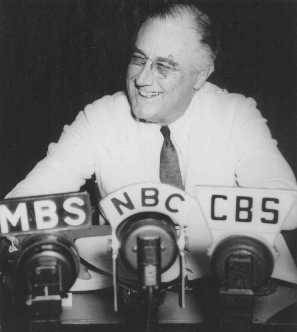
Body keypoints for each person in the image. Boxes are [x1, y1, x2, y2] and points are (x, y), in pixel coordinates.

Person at [5, 2, 297, 284]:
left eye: (164, 66)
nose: (142, 78)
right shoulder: (99, 119)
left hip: (225, 284)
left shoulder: (235, 114)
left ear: (201, 75)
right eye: (138, 59)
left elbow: (290, 207)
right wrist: (41, 241)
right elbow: (18, 207)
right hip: (132, 288)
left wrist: (195, 219)